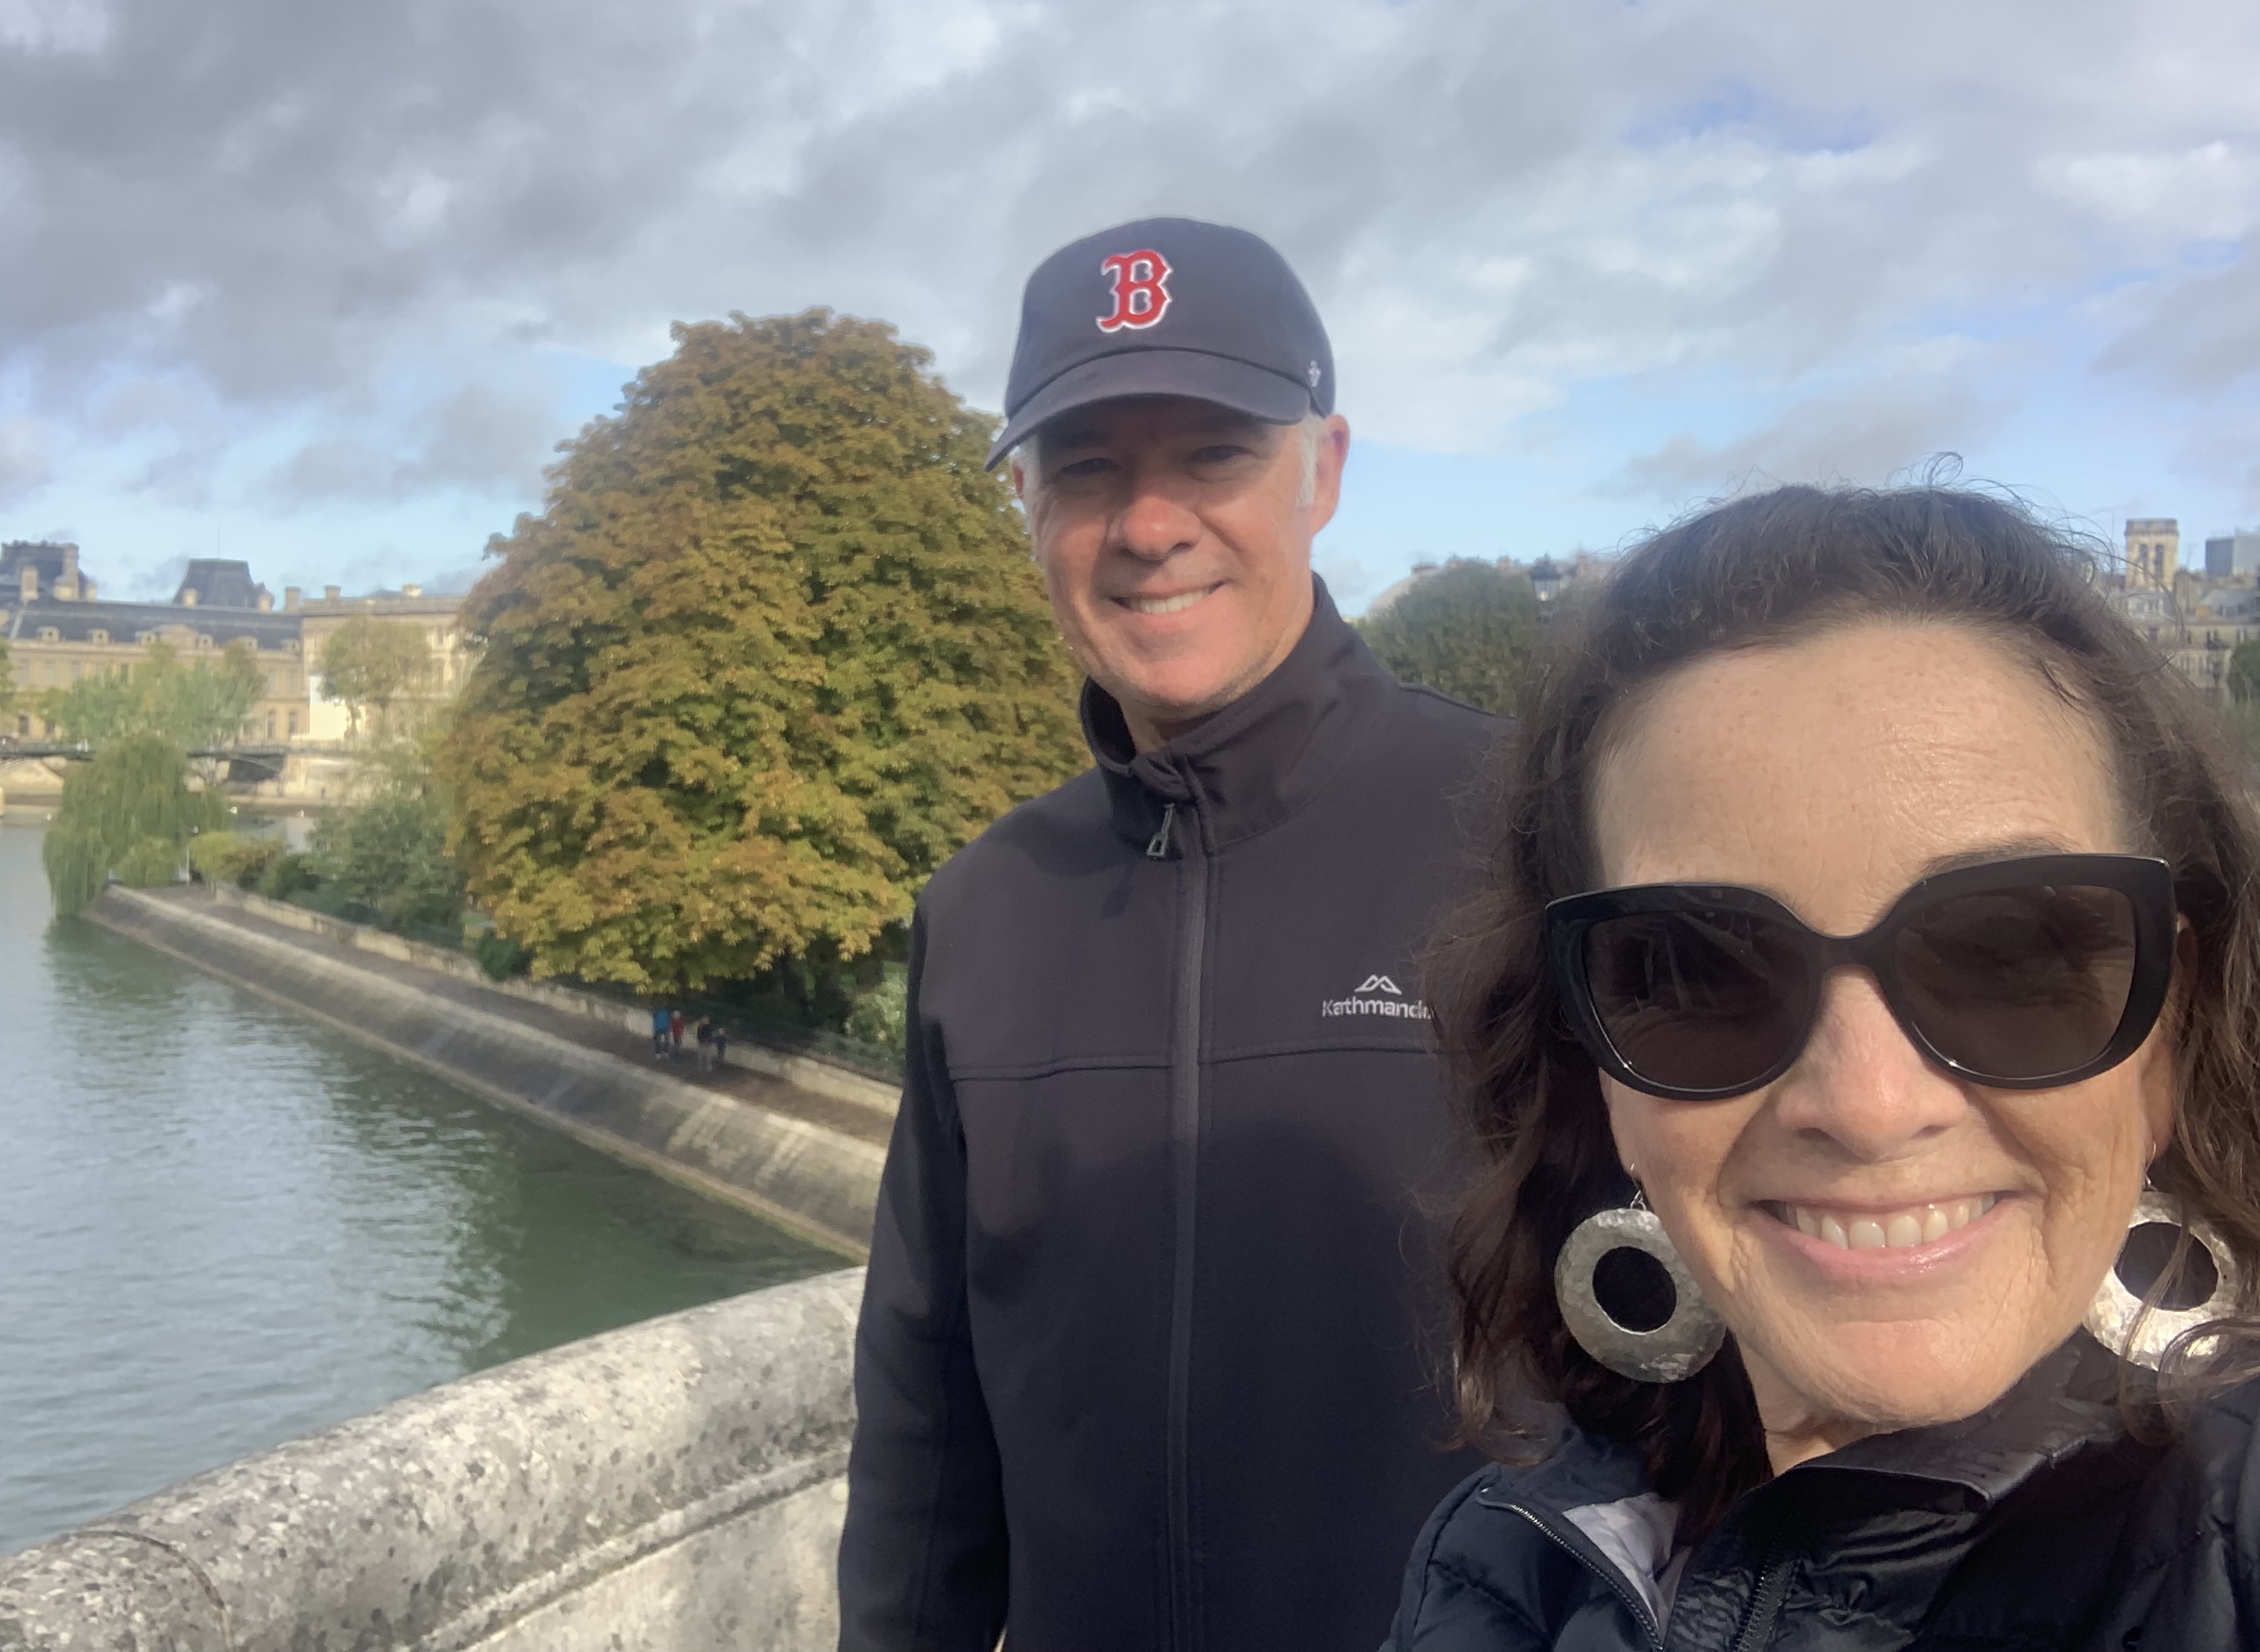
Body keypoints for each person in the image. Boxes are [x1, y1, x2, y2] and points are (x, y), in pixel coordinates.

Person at [1389, 485, 2260, 1650]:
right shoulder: (1502, 1574)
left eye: (2012, 956)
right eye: (1700, 972)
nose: (1869, 1103)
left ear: (2165, 1035)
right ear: (1594, 1065)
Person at [840, 217, 1500, 1651]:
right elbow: (924, 1417)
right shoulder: (983, 906)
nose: (1149, 526)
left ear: (1323, 472)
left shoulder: (1528, 841)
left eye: (1213, 454)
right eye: (1087, 469)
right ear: (1028, 506)